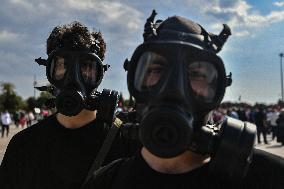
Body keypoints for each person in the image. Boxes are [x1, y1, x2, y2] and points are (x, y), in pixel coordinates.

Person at [83, 10, 284, 189]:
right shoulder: (104, 182)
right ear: (136, 79)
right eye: (157, 70)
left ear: (219, 88)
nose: (173, 89)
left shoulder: (271, 178)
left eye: (196, 74)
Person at [0, 21, 140, 189]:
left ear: (100, 73)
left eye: (87, 66)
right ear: (50, 71)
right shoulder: (23, 146)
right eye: (63, 65)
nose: (74, 77)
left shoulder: (126, 141)